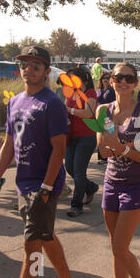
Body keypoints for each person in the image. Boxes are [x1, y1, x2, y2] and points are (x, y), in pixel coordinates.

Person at [0, 45, 77, 278]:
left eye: (36, 65)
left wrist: (46, 187)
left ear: (46, 71)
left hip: (43, 184)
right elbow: (8, 147)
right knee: (44, 236)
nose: (28, 69)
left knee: (31, 245)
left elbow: (59, 148)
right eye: (24, 64)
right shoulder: (15, 102)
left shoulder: (52, 103)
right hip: (23, 182)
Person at [97, 62, 140, 278]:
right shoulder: (103, 111)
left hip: (136, 185)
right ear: (111, 80)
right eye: (118, 77)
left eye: (129, 79)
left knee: (120, 247)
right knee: (116, 247)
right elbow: (102, 151)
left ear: (136, 83)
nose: (123, 82)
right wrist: (128, 146)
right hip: (111, 182)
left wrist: (120, 147)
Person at [64, 67, 99, 217]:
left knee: (79, 172)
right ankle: (90, 187)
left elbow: (87, 113)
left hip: (86, 138)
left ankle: (76, 205)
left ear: (83, 79)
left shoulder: (90, 93)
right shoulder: (71, 94)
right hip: (71, 137)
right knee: (70, 169)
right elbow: (64, 110)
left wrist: (69, 111)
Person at [96, 72, 116, 164]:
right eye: (104, 78)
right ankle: (101, 156)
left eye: (108, 78)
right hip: (99, 115)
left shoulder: (112, 90)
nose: (105, 79)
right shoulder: (99, 90)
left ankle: (109, 155)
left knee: (108, 135)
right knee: (100, 135)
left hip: (109, 115)